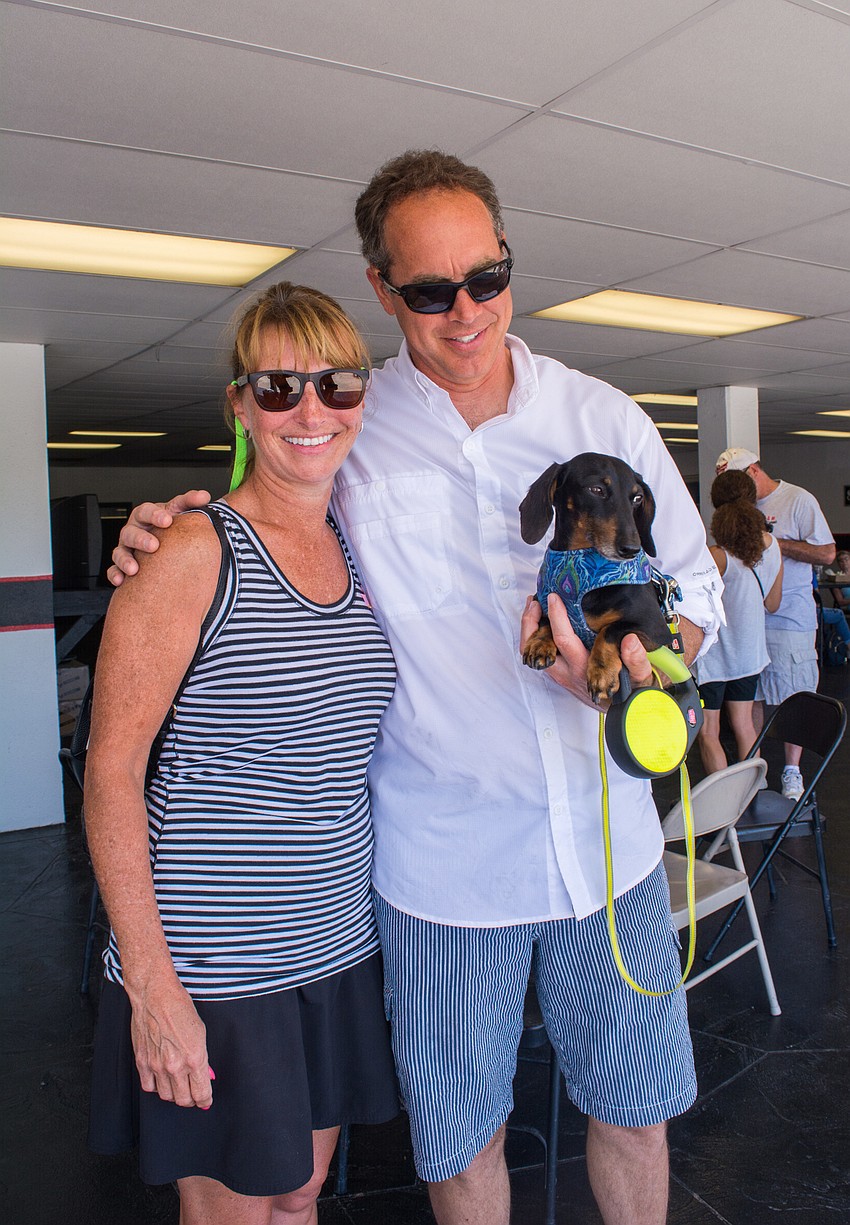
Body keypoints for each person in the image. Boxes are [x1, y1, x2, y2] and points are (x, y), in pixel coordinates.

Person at [110, 150, 723, 1225]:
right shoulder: (351, 423)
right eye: (431, 290)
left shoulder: (607, 418)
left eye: (485, 278)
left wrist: (634, 669)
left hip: (610, 845)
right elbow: (269, 506)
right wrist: (159, 535)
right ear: (384, 288)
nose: (465, 311)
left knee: (633, 1112)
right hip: (441, 872)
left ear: (507, 268)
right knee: (457, 1136)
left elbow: (698, 600)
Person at [85, 283, 400, 1225]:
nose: (311, 409)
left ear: (362, 396)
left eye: (336, 383)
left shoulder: (361, 537)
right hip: (215, 969)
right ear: (239, 404)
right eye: (277, 386)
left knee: (300, 1197)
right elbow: (109, 771)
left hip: (337, 947)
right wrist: (153, 985)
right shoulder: (189, 549)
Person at [715, 447, 836, 798]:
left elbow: (827, 553)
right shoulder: (738, 509)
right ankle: (756, 772)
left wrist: (774, 546)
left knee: (792, 696)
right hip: (749, 621)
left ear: (753, 471)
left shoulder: (798, 500)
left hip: (789, 618)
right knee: (749, 699)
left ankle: (792, 772)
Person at [694, 469, 783, 773]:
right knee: (745, 725)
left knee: (709, 731)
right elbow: (772, 603)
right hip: (749, 653)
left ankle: (724, 809)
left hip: (714, 658)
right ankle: (752, 796)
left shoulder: (716, 557)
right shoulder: (772, 546)